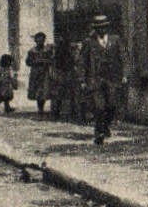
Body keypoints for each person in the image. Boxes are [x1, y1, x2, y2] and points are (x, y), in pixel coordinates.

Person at [82, 16, 124, 145]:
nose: (102, 29)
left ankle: (105, 125)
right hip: (95, 79)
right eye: (99, 27)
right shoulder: (89, 42)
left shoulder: (115, 40)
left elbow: (124, 57)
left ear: (107, 27)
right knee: (99, 107)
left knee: (111, 105)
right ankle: (99, 132)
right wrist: (82, 80)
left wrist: (125, 74)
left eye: (104, 27)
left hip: (112, 78)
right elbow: (82, 62)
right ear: (95, 29)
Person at [24, 31, 54, 115]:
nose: (40, 42)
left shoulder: (48, 50)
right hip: (36, 73)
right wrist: (36, 62)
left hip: (45, 73)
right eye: (38, 40)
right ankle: (40, 109)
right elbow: (27, 62)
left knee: (44, 90)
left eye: (42, 40)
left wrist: (46, 61)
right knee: (37, 91)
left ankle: (42, 108)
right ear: (36, 41)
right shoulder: (32, 51)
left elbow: (52, 60)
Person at [48, 35, 76, 121]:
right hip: (62, 72)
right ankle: (61, 113)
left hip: (63, 72)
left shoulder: (60, 50)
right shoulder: (61, 51)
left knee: (61, 94)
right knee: (62, 94)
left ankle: (58, 113)